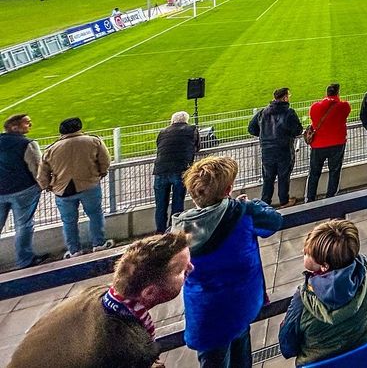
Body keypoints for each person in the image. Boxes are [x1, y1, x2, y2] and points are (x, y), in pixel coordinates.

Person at [9, 232, 193, 368]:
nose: (191, 268)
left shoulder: (94, 294)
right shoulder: (131, 349)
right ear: (149, 292)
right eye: (180, 270)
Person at [173, 156, 284, 367]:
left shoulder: (179, 229)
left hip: (207, 315)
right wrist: (249, 205)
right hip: (241, 306)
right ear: (228, 190)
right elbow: (275, 221)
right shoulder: (242, 213)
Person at [279, 219, 367, 365]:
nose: (302, 252)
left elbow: (288, 346)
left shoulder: (302, 300)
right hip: (365, 352)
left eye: (307, 253)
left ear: (324, 266)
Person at [37, 117, 113, 257]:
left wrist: (48, 186)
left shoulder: (51, 149)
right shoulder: (93, 141)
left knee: (69, 222)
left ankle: (74, 251)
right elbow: (105, 160)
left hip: (63, 191)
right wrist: (101, 173)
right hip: (89, 185)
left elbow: (42, 174)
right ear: (79, 128)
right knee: (95, 215)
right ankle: (99, 244)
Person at [0, 113, 45, 268]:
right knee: (23, 225)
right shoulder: (27, 144)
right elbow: (37, 168)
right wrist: (42, 185)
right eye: (27, 123)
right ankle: (24, 260)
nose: (30, 126)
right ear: (14, 127)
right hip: (23, 191)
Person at [248, 88, 302, 208]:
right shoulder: (289, 112)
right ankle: (284, 201)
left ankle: (265, 203)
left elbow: (251, 129)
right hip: (284, 151)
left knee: (268, 179)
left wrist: (264, 136)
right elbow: (297, 130)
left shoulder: (263, 112)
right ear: (284, 98)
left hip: (267, 151)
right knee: (283, 178)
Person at [153, 110, 199, 233]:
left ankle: (160, 231)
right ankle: (174, 230)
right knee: (178, 202)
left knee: (160, 205)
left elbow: (159, 146)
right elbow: (197, 147)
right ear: (186, 121)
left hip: (160, 170)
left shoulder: (162, 132)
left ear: (172, 121)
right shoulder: (191, 129)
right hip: (180, 169)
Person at [306, 83, 351, 203]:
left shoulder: (315, 107)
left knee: (314, 173)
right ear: (337, 93)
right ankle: (331, 198)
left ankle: (310, 199)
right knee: (334, 172)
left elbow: (313, 120)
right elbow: (345, 114)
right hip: (337, 144)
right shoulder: (344, 106)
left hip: (318, 145)